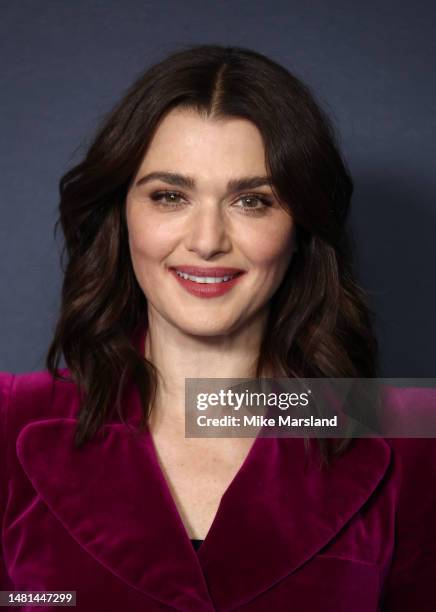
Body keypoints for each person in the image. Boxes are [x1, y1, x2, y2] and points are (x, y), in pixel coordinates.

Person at [0, 44, 435, 611]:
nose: (207, 240)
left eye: (252, 201)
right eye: (170, 196)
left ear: (301, 227)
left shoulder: (409, 440)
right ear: (120, 213)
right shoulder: (10, 420)